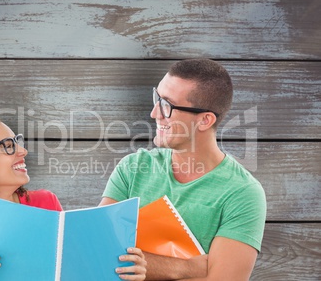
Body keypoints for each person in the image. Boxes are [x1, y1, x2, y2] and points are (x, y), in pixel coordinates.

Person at [0, 110, 146, 281]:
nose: (23, 151)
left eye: (18, 142)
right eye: (7, 146)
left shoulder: (45, 201)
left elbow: (76, 269)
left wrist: (123, 269)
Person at [100, 59, 267, 280]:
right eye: (157, 98)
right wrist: (187, 268)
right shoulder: (132, 168)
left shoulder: (242, 194)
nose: (154, 113)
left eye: (167, 105)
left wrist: (144, 266)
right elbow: (99, 253)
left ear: (205, 120)